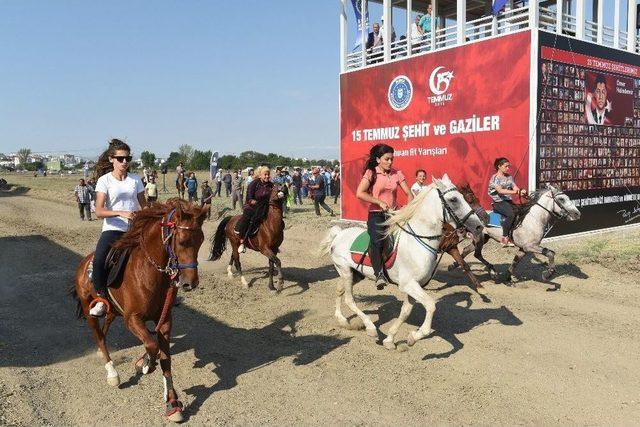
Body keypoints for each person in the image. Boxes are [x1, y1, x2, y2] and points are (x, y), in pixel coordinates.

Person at [90, 139, 146, 317]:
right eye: (120, 158)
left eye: (127, 158)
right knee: (99, 260)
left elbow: (144, 206)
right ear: (111, 159)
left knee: (160, 253)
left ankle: (167, 291)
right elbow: (99, 211)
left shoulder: (136, 180)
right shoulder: (104, 181)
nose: (124, 162)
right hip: (113, 229)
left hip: (136, 229)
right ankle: (101, 298)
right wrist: (121, 213)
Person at [356, 144, 413, 290]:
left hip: (394, 214)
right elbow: (360, 193)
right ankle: (379, 274)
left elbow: (409, 193)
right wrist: (378, 202)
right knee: (377, 241)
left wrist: (409, 208)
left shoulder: (397, 173)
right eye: (387, 159)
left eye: (392, 159)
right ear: (378, 159)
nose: (390, 162)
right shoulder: (371, 173)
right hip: (376, 215)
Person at [488, 157, 527, 247]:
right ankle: (504, 238)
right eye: (506, 166)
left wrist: (521, 191)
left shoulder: (509, 177)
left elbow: (515, 187)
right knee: (511, 215)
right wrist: (516, 192)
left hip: (508, 201)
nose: (508, 168)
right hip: (498, 203)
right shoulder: (495, 178)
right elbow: (500, 191)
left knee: (520, 212)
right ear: (499, 166)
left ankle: (514, 235)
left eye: (508, 166)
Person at [235, 166, 274, 253]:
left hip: (265, 207)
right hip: (251, 207)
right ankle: (242, 240)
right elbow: (249, 198)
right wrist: (256, 203)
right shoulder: (254, 183)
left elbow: (274, 195)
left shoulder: (271, 185)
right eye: (265, 174)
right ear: (260, 175)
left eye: (268, 174)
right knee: (248, 218)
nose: (267, 176)